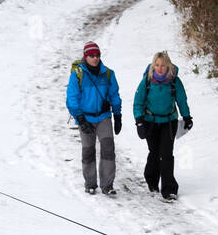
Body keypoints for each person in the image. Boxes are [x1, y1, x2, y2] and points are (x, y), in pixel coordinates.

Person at [132, 51, 192, 201]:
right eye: (157, 65)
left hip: (168, 122)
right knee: (154, 152)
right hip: (150, 121)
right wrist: (139, 121)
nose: (160, 68)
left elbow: (182, 100)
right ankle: (151, 180)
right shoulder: (147, 80)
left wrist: (186, 117)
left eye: (163, 65)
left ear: (168, 66)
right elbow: (138, 102)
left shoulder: (174, 81)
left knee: (166, 154)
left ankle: (169, 189)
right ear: (153, 66)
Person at [65, 42, 123, 195]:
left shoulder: (108, 74)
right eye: (91, 55)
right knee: (88, 151)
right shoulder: (77, 74)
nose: (95, 58)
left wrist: (117, 115)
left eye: (97, 55)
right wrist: (80, 119)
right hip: (86, 118)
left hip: (104, 117)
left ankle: (107, 185)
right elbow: (71, 98)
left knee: (108, 149)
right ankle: (90, 183)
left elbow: (114, 95)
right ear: (85, 56)